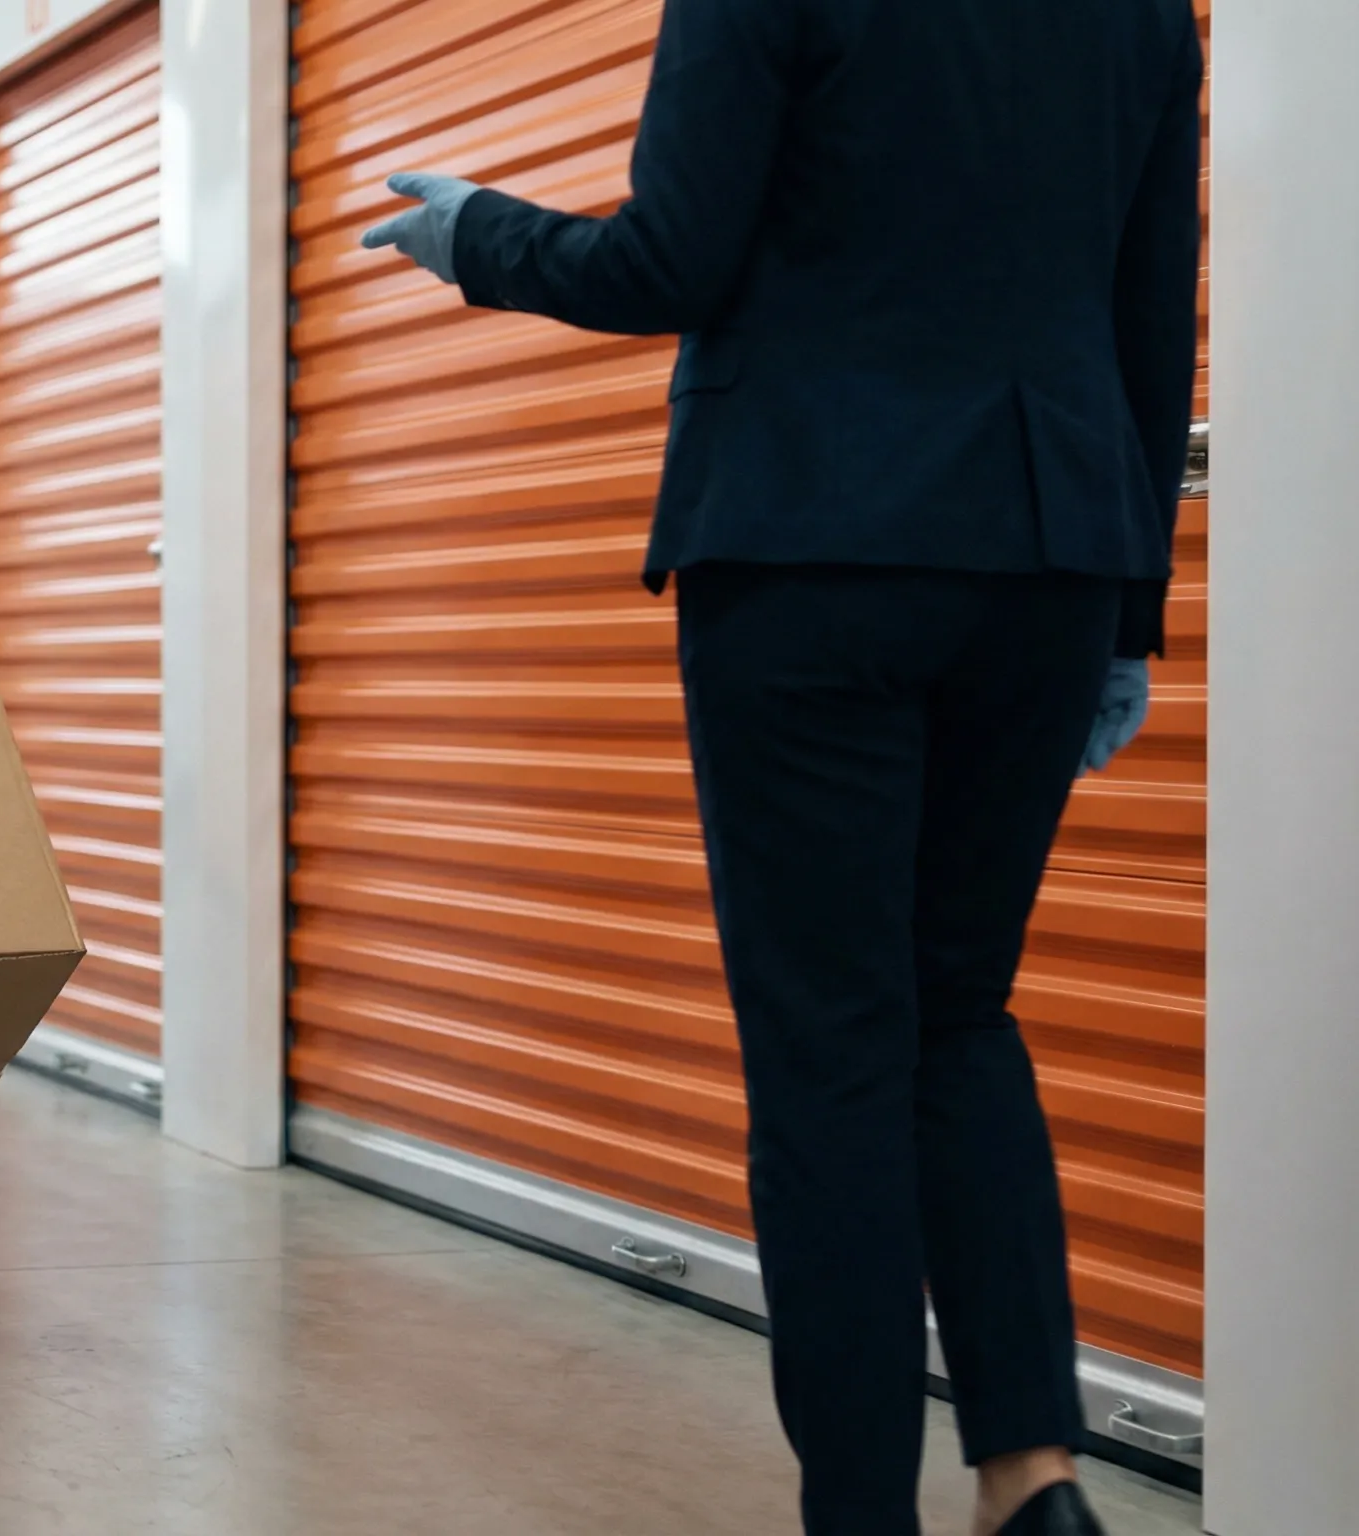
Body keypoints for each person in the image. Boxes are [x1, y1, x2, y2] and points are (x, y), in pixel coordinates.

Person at [361, 3, 1200, 1534]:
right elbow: (1151, 315)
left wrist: (480, 235)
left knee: (831, 1054)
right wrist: (1130, 612)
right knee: (961, 1015)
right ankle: (1034, 1478)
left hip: (813, 546)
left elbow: (667, 264)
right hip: (1048, 556)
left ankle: (862, 1514)